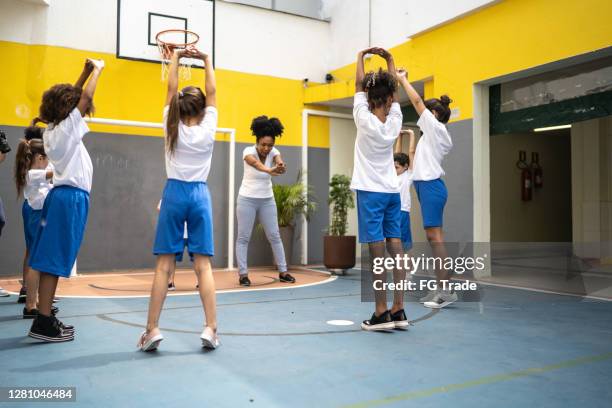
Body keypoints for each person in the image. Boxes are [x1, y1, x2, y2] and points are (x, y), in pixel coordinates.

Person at [138, 47, 219, 351]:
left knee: (163, 266)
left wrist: (175, 58)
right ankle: (211, 329)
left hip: (173, 193)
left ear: (179, 110)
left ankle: (152, 329)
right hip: (199, 194)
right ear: (201, 110)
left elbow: (170, 89)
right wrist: (206, 60)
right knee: (203, 267)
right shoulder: (209, 127)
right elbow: (212, 91)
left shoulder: (170, 124)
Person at [27, 58, 104, 342]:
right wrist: (98, 69)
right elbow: (84, 98)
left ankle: (45, 315)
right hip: (69, 199)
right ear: (68, 109)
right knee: (54, 260)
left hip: (64, 198)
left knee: (53, 259)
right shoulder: (66, 129)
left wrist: (82, 73)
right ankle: (43, 321)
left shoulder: (52, 130)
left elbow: (74, 96)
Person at [351, 47, 407, 331]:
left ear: (369, 98)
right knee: (396, 250)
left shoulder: (363, 118)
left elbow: (359, 84)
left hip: (370, 193)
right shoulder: (395, 121)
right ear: (388, 99)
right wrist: (389, 60)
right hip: (391, 192)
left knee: (376, 255)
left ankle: (380, 312)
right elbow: (394, 90)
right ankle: (399, 309)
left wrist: (361, 56)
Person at [396, 68, 456, 309]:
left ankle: (446, 290)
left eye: (425, 112)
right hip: (426, 187)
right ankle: (442, 288)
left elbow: (417, 101)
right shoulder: (430, 136)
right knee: (434, 239)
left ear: (433, 114)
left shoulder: (437, 129)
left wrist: (402, 79)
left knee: (435, 238)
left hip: (431, 187)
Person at [235, 115, 295, 287]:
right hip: (247, 199)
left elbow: (279, 161)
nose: (267, 148)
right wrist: (270, 170)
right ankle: (243, 274)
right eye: (263, 145)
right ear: (257, 141)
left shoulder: (274, 152)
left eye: (270, 145)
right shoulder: (248, 152)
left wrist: (280, 166)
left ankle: (283, 272)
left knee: (275, 236)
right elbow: (255, 164)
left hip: (267, 200)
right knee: (243, 237)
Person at [14, 138, 55, 318]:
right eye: (46, 158)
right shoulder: (33, 174)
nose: (48, 162)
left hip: (35, 213)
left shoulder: (37, 170)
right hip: (34, 214)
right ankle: (30, 305)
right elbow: (56, 173)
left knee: (34, 255)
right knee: (35, 259)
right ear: (39, 158)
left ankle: (34, 300)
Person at [394, 129, 416, 253]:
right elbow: (396, 154)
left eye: (396, 167)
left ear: (406, 166)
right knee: (393, 241)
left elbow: (411, 152)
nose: (394, 169)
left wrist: (411, 134)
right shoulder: (392, 175)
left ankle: (407, 266)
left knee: (404, 242)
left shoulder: (408, 175)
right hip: (391, 211)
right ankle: (398, 265)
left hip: (402, 211)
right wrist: (399, 136)